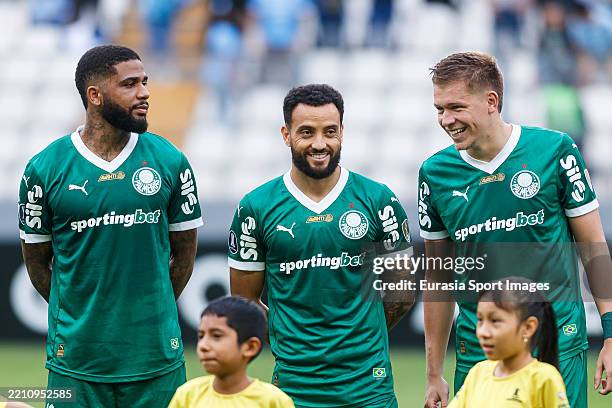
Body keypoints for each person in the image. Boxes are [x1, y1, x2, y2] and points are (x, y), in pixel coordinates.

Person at [419, 51, 612, 408]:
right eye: (439, 109)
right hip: (480, 351)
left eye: (456, 107)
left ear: (491, 101)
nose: (446, 120)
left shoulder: (555, 150)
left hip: (557, 343)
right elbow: (438, 279)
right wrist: (433, 373)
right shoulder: (434, 174)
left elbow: (593, 247)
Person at [18, 45, 203, 407]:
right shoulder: (44, 169)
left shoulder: (170, 160)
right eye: (130, 84)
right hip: (76, 361)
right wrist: (80, 313)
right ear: (95, 95)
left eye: (145, 82)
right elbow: (38, 265)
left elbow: (183, 258)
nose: (145, 92)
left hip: (155, 359)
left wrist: (151, 311)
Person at [228, 83, 414, 407]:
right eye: (306, 132)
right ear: (286, 134)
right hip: (294, 389)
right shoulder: (255, 207)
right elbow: (244, 301)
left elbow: (403, 291)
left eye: (330, 131)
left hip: (369, 388)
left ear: (342, 131)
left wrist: (359, 334)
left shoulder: (378, 199)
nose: (319, 143)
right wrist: (294, 339)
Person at [449, 277, 569, 407]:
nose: (483, 332)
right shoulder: (478, 373)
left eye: (495, 321)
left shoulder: (543, 378)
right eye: (480, 320)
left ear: (528, 327)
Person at [169, 296, 295, 407]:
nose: (203, 345)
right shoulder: (187, 395)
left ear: (250, 347)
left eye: (216, 336)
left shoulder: (274, 401)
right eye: (201, 336)